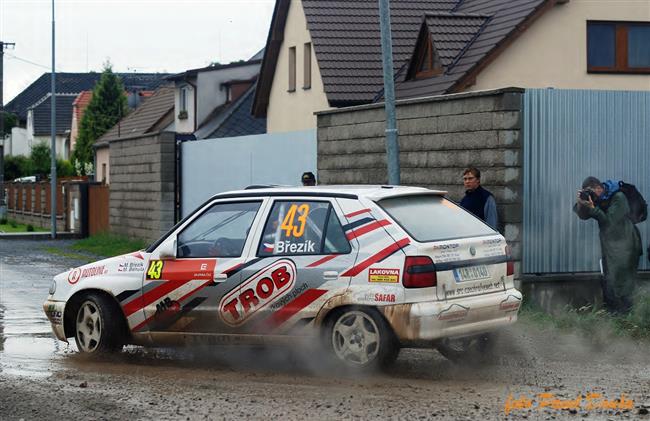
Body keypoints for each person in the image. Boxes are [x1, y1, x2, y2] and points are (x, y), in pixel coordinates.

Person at [574, 176, 642, 314]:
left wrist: (593, 207)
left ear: (599, 188)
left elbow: (609, 223)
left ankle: (627, 318)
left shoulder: (619, 197)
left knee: (623, 285)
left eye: (591, 192)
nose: (591, 195)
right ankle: (614, 317)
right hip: (611, 248)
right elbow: (583, 215)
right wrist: (581, 203)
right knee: (608, 281)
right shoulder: (600, 199)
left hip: (627, 246)